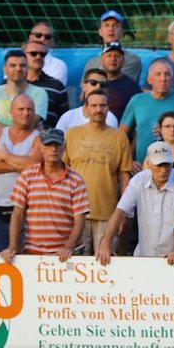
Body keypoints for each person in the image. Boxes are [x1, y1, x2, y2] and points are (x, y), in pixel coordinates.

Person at [96, 141, 174, 264]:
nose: (164, 170)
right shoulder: (138, 180)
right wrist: (106, 242)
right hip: (145, 256)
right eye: (159, 165)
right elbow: (120, 211)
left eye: (167, 164)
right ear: (148, 163)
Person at [0, 128, 89, 263]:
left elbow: (80, 219)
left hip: (66, 255)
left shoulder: (76, 180)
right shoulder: (27, 175)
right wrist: (13, 247)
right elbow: (17, 214)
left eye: (57, 145)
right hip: (33, 252)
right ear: (41, 148)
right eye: (48, 145)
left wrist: (68, 247)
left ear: (63, 148)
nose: (53, 149)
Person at [63, 90, 133, 255]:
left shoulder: (119, 137)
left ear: (108, 108)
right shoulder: (72, 135)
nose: (98, 109)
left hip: (107, 214)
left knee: (106, 266)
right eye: (93, 105)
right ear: (86, 109)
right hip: (76, 214)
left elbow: (124, 176)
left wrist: (122, 213)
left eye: (102, 105)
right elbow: (62, 172)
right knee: (77, 266)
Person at [0, 94, 43, 252]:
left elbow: (35, 165)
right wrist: (19, 165)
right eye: (21, 109)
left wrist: (5, 156)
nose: (25, 113)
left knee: (27, 262)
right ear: (11, 112)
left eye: (29, 110)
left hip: (29, 212)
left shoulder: (39, 138)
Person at [120, 59, 174, 165]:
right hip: (141, 167)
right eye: (158, 74)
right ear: (149, 80)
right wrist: (128, 162)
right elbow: (121, 134)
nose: (163, 79)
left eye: (167, 74)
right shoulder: (137, 100)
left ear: (172, 79)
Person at [0, 50, 48, 132]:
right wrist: (18, 130)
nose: (18, 69)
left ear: (27, 69)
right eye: (13, 65)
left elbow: (30, 123)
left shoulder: (39, 94)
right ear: (4, 69)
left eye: (23, 65)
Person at [83, 10, 143, 82]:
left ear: (122, 32)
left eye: (116, 26)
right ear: (100, 32)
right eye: (107, 25)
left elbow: (121, 85)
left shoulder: (132, 60)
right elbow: (84, 91)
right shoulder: (91, 63)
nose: (111, 29)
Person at [55, 68, 120, 133]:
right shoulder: (68, 117)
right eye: (93, 83)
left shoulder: (110, 119)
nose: (98, 86)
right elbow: (57, 141)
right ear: (84, 86)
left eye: (103, 84)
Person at [23, 39, 69, 129]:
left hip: (48, 139)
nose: (38, 57)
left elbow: (65, 119)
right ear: (23, 56)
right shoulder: (10, 85)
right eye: (33, 53)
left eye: (42, 54)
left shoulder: (57, 86)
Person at [100, 41, 142, 121]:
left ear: (123, 59)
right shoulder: (94, 84)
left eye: (117, 56)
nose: (113, 59)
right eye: (109, 55)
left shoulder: (132, 87)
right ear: (102, 58)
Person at [29, 20, 68, 85]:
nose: (42, 39)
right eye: (38, 35)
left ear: (52, 41)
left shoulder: (58, 65)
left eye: (47, 37)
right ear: (30, 37)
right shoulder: (17, 61)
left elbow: (53, 91)